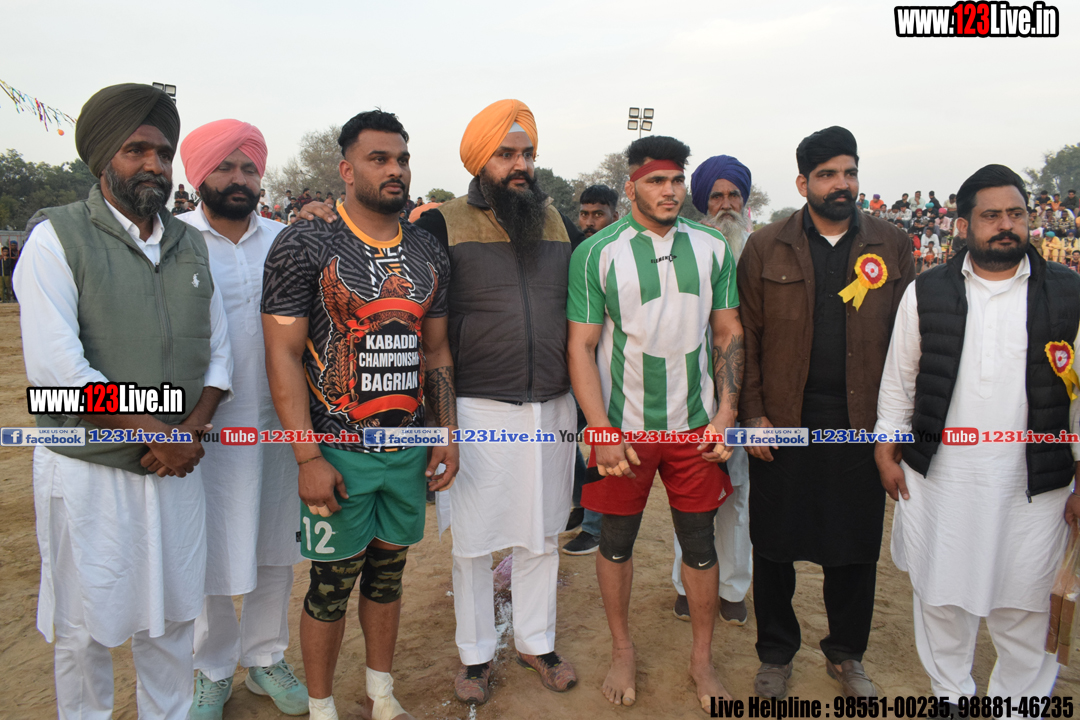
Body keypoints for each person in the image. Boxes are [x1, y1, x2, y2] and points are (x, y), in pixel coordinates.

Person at [16, 83, 233, 720]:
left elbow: (219, 354)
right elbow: (60, 370)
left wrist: (189, 430)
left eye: (162, 153)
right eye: (136, 150)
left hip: (176, 466)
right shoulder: (56, 239)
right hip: (90, 469)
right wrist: (153, 431)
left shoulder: (190, 243)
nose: (153, 165)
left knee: (172, 616)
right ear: (102, 157)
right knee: (82, 626)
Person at [262, 110, 457, 720]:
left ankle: (380, 694)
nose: (395, 170)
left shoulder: (428, 249)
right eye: (379, 159)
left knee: (388, 577)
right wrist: (307, 457)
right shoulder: (305, 242)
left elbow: (436, 351)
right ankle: (321, 708)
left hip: (406, 450)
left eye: (401, 159)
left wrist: (446, 433)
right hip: (337, 453)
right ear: (347, 170)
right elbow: (283, 354)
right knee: (330, 585)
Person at [875, 163, 1080, 704]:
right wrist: (886, 449)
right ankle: (950, 697)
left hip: (1036, 484)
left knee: (1027, 602)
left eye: (1016, 214)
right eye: (992, 216)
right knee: (941, 594)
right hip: (942, 477)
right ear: (963, 226)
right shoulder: (926, 291)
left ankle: (1020, 707)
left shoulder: (1069, 292)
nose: (1006, 225)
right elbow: (900, 379)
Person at [412, 99, 583, 706]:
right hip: (477, 407)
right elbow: (427, 334)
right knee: (474, 542)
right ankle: (476, 654)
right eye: (506, 154)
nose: (520, 165)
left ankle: (538, 642)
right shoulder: (442, 225)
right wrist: (441, 424)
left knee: (543, 533)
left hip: (554, 406)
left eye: (527, 153)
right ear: (479, 161)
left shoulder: (558, 223)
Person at [737, 126, 915, 699]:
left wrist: (894, 429)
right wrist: (753, 414)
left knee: (854, 548)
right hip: (784, 420)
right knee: (774, 546)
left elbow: (908, 343)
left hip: (860, 423)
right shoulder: (766, 245)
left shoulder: (892, 244)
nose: (842, 184)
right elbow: (746, 337)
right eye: (828, 174)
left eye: (850, 172)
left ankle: (846, 654)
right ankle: (775, 655)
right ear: (803, 183)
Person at [569, 136, 742, 710]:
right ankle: (622, 650)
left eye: (675, 180)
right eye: (656, 181)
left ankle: (702, 660)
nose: (669, 191)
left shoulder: (713, 247)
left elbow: (727, 333)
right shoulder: (597, 252)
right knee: (615, 541)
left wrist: (726, 414)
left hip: (696, 429)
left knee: (700, 544)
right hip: (625, 430)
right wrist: (600, 427)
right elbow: (581, 346)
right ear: (632, 187)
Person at [177, 119, 307, 719]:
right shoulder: (174, 241)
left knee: (275, 545)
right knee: (205, 548)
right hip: (201, 428)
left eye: (249, 168)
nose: (238, 178)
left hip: (279, 421)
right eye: (225, 167)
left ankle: (265, 656)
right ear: (199, 175)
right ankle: (210, 668)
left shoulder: (287, 240)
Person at [668, 154, 756, 627]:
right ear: (702, 203)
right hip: (690, 396)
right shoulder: (683, 250)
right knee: (692, 495)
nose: (725, 205)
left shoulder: (759, 252)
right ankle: (687, 584)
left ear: (744, 200)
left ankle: (732, 588)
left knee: (737, 496)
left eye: (733, 195)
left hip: (743, 396)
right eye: (716, 196)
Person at [562, 183, 621, 556]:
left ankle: (596, 529)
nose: (589, 221)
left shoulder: (626, 254)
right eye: (584, 214)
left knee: (602, 441)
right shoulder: (575, 252)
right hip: (574, 366)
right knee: (562, 438)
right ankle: (581, 502)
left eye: (598, 214)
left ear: (616, 214)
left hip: (613, 371)